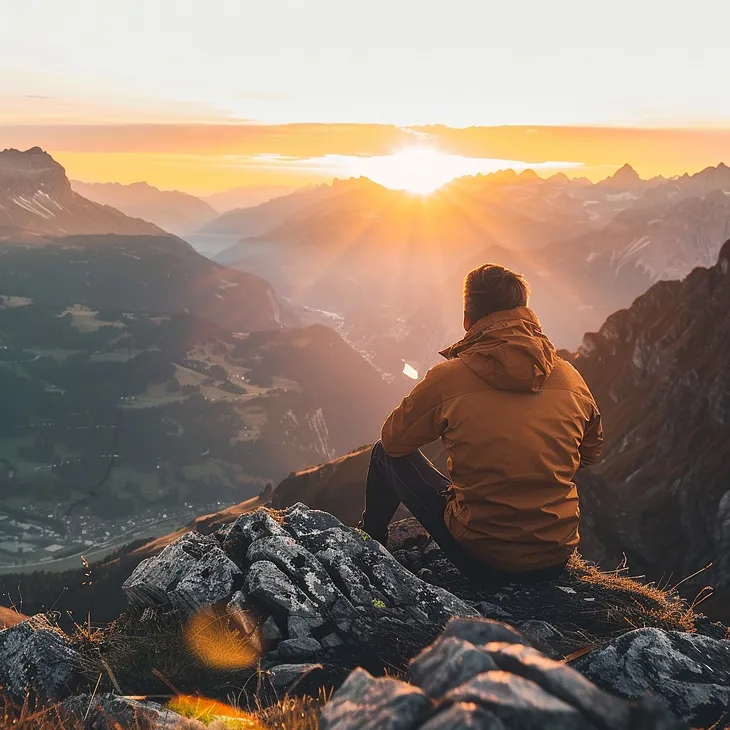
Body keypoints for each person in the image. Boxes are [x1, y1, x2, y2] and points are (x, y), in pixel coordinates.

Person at [359, 264, 603, 585]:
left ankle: (367, 542)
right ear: (526, 313)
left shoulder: (450, 378)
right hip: (556, 555)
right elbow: (590, 453)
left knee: (382, 455)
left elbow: (393, 441)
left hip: (483, 558)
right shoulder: (570, 377)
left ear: (467, 319)